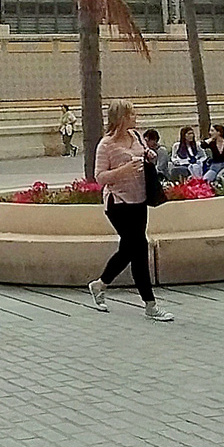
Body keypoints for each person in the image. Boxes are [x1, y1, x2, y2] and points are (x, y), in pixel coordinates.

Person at [84, 101, 173, 322]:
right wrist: (124, 170)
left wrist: (149, 156)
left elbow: (144, 155)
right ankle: (150, 304)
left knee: (128, 250)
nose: (135, 116)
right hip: (118, 203)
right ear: (121, 117)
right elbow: (100, 177)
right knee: (139, 248)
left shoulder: (137, 136)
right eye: (131, 113)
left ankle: (99, 284)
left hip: (139, 200)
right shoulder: (106, 145)